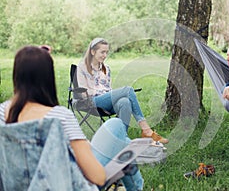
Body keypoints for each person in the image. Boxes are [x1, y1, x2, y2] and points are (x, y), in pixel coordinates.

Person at [0, 46, 144, 190]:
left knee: (122, 138)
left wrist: (31, 57)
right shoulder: (59, 117)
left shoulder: (2, 113)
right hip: (71, 185)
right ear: (49, 79)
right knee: (117, 125)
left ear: (16, 76)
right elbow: (97, 177)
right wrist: (85, 146)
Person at [77, 37, 169, 144]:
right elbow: (83, 94)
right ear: (93, 51)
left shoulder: (106, 68)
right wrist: (103, 94)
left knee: (125, 102)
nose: (105, 55)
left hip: (106, 102)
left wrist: (110, 95)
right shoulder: (83, 67)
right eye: (102, 52)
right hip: (90, 101)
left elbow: (108, 89)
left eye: (107, 52)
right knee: (128, 90)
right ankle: (146, 130)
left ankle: (121, 138)